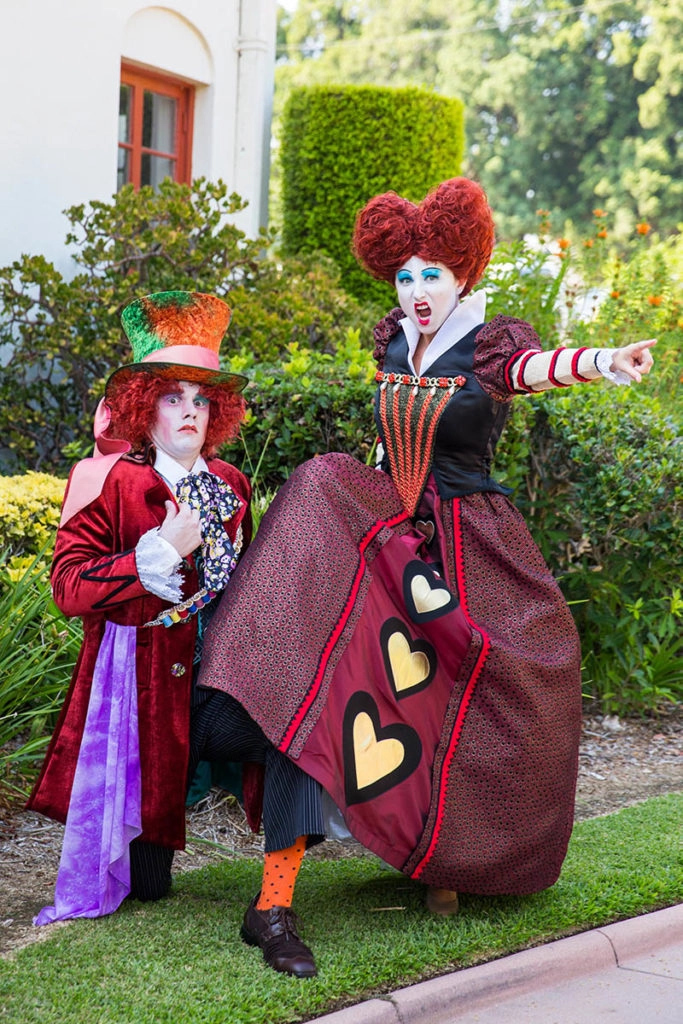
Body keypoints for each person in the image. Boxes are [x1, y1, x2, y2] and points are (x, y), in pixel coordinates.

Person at [197, 176, 656, 956]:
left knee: (488, 686)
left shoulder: (488, 342)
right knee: (319, 678)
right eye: (405, 276)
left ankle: (451, 860)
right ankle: (271, 904)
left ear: (462, 274)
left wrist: (603, 360)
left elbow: (532, 370)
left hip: (467, 539)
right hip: (389, 536)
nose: (416, 290)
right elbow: (384, 447)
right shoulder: (390, 341)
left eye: (432, 275)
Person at [28, 291, 324, 979]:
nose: (189, 411)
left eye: (200, 399)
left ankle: (272, 910)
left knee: (298, 725)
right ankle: (152, 838)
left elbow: (252, 585)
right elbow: (68, 586)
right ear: (143, 408)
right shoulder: (111, 483)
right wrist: (153, 554)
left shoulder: (231, 482)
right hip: (141, 708)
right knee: (147, 885)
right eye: (172, 398)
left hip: (218, 690)